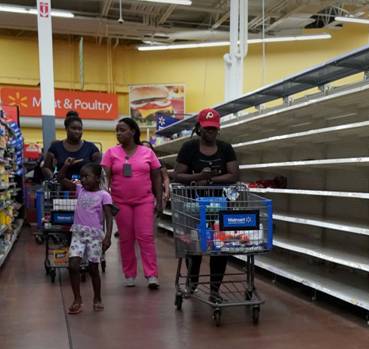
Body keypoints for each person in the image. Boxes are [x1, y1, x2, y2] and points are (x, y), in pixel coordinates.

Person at [173, 108, 239, 300]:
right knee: (195, 246)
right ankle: (192, 283)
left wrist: (210, 181)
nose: (210, 132)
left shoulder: (226, 148)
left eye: (214, 129)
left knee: (219, 248)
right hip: (193, 206)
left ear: (218, 129)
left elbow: (234, 175)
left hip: (220, 205)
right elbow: (178, 175)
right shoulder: (189, 148)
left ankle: (214, 289)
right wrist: (198, 177)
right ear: (199, 128)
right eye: (207, 128)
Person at [102, 118, 163, 289]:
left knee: (146, 237)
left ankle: (151, 274)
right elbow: (104, 178)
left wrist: (160, 199)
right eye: (117, 131)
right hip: (120, 202)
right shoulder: (111, 153)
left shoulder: (147, 152)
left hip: (144, 200)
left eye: (122, 130)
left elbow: (156, 176)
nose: (118, 133)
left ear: (133, 132)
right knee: (126, 239)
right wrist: (104, 199)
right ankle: (129, 274)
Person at [58, 161, 113, 314]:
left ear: (97, 178)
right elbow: (61, 178)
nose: (82, 180)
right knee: (73, 265)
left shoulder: (104, 195)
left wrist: (108, 237)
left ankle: (97, 297)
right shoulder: (79, 189)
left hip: (94, 236)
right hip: (78, 233)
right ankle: (77, 299)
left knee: (93, 268)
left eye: (86, 176)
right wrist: (66, 165)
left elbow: (109, 217)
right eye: (81, 177)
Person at [42, 111, 102, 183]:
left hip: (85, 189)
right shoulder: (56, 146)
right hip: (61, 190)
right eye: (73, 128)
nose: (77, 131)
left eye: (79, 129)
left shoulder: (91, 148)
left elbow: (98, 170)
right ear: (66, 129)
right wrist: (53, 179)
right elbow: (46, 167)